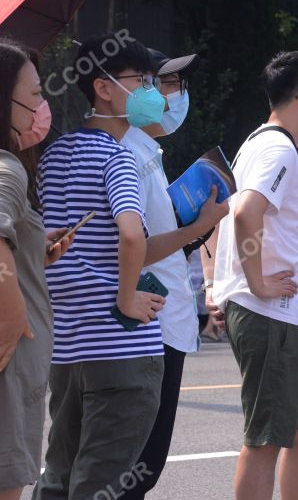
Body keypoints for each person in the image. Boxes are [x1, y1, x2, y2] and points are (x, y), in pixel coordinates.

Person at [33, 34, 178, 499]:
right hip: (121, 349)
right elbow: (132, 232)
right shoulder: (117, 157)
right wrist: (126, 297)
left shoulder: (53, 156)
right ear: (105, 87)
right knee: (101, 483)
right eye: (143, 81)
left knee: (58, 476)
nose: (153, 93)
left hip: (69, 349)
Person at [202, 50, 298, 500]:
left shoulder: (255, 144)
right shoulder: (277, 149)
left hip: (277, 313)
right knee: (266, 438)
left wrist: (215, 284)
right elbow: (246, 214)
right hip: (270, 311)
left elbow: (217, 217)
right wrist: (253, 284)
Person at [119, 49, 229, 499]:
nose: (177, 95)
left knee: (144, 464)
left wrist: (189, 224)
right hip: (150, 326)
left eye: (180, 85)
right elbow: (132, 247)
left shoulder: (148, 151)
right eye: (168, 84)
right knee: (135, 465)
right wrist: (198, 227)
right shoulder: (127, 152)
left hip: (166, 324)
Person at [0, 38, 74, 500]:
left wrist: (31, 253)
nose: (40, 106)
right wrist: (14, 317)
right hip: (11, 369)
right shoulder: (9, 168)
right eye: (33, 94)